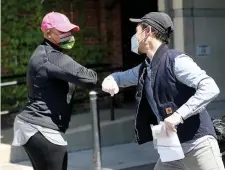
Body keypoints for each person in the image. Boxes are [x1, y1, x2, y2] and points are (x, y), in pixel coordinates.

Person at [102, 12, 225, 170]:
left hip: (198, 145)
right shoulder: (145, 68)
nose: (134, 37)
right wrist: (110, 80)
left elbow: (210, 87)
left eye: (137, 31)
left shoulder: (176, 61)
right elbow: (120, 77)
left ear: (148, 32)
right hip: (171, 151)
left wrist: (179, 115)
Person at [12, 12, 98, 170]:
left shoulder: (45, 53)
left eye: (69, 31)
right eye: (63, 32)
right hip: (41, 127)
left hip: (33, 125)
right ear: (48, 33)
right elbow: (90, 78)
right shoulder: (51, 57)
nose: (68, 35)